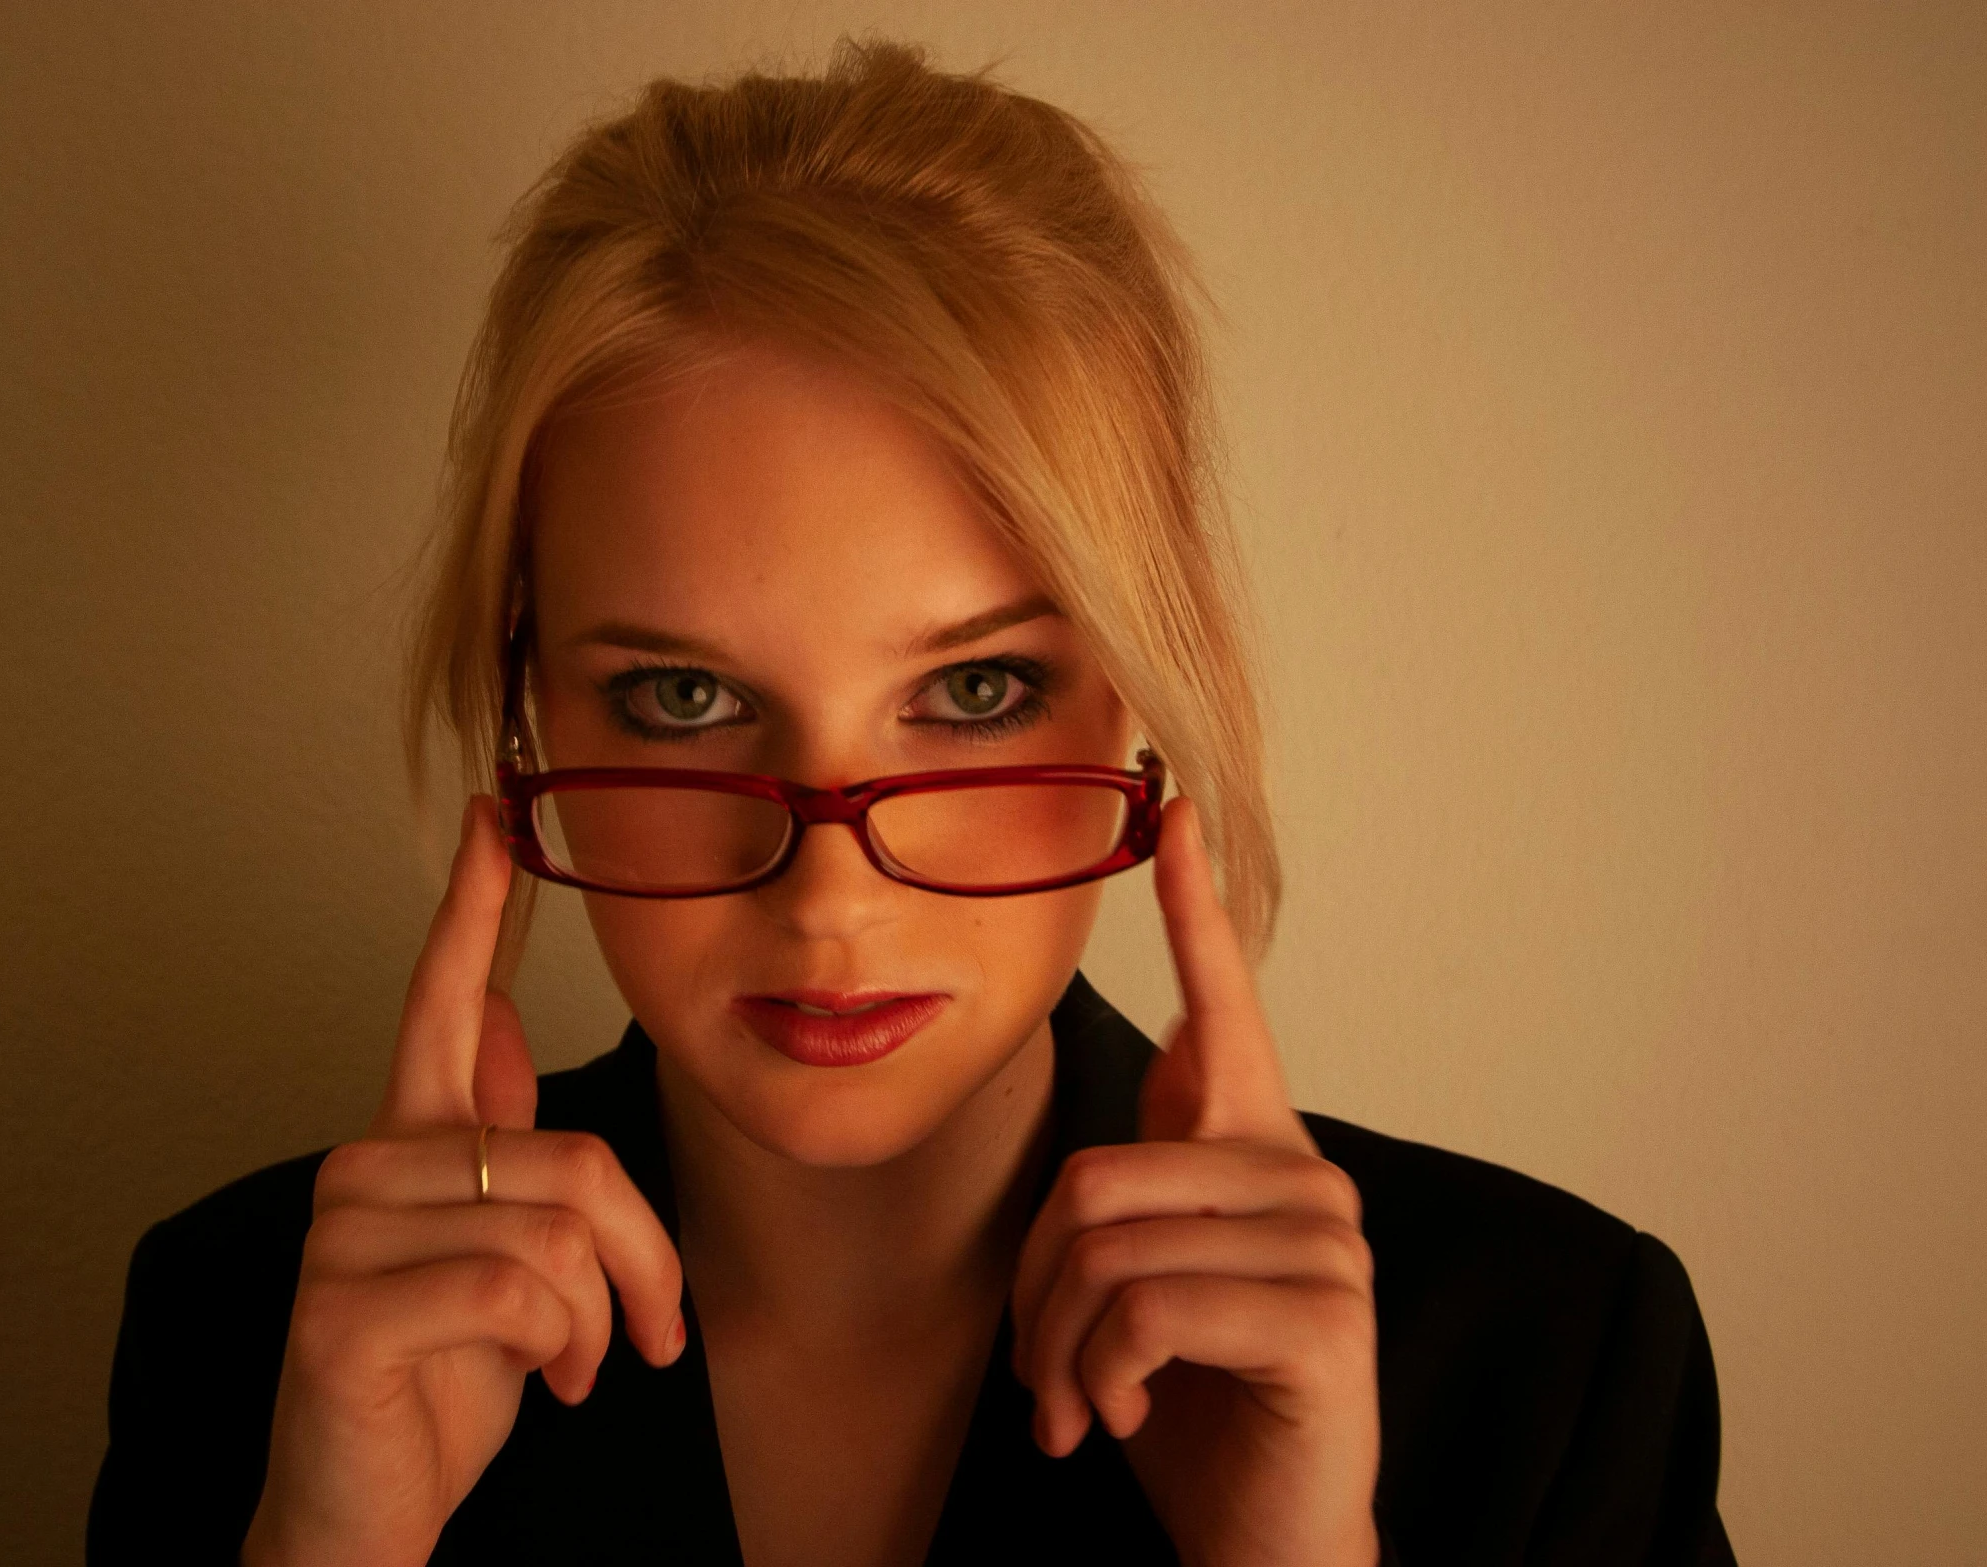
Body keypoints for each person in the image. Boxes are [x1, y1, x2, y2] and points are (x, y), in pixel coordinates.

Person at [87, 39, 1732, 1567]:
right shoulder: (255, 1328)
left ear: (1138, 682)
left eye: (973, 692)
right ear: (525, 705)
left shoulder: (1552, 1351)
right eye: (684, 698)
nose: (827, 900)